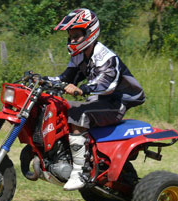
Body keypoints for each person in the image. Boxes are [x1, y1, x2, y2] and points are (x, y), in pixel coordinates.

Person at [50, 8, 145, 191]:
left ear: (90, 32)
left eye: (76, 36)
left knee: (78, 113)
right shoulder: (80, 55)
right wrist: (42, 80)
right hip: (99, 101)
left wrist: (81, 89)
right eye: (70, 37)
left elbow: (106, 85)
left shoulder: (106, 58)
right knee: (59, 108)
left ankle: (79, 171)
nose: (72, 41)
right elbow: (66, 77)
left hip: (116, 103)